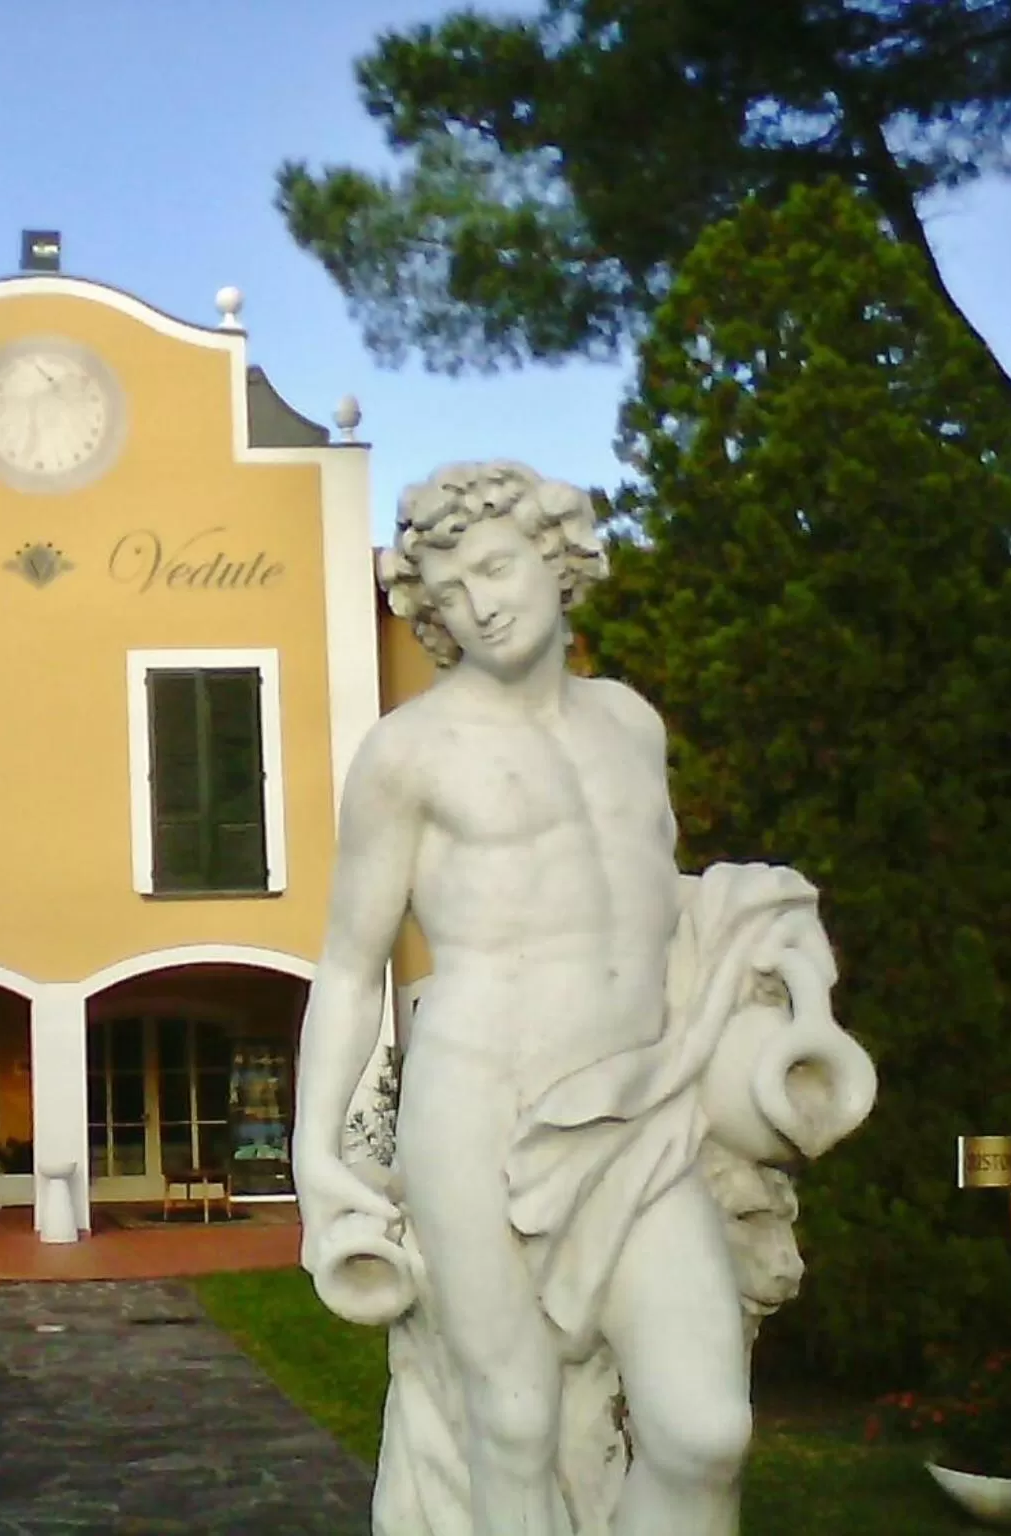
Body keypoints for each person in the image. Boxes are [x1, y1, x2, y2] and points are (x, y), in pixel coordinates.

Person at [293, 462, 752, 1536]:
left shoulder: (630, 727)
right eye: (448, 592)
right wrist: (315, 1154)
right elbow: (349, 965)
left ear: (554, 557)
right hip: (477, 1105)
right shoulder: (406, 752)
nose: (479, 602)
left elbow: (651, 910)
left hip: (636, 1110)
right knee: (510, 1419)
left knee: (703, 1432)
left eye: (495, 567)